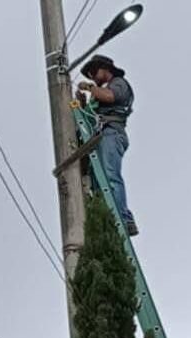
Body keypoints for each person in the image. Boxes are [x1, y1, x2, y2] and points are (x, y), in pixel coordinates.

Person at [78, 54, 138, 236]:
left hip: (112, 133)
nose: (92, 77)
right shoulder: (100, 94)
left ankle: (122, 217)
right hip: (101, 135)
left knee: (110, 175)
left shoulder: (118, 83)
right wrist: (82, 104)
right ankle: (111, 218)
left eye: (94, 71)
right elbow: (91, 115)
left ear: (105, 68)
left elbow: (110, 97)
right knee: (99, 183)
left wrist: (90, 88)